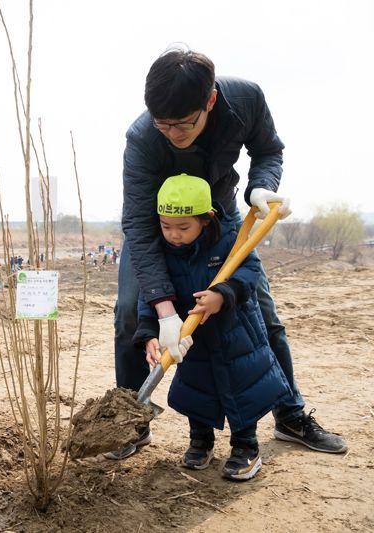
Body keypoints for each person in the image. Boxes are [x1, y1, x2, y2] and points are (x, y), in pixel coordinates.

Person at [110, 46, 347, 459]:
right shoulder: (143, 137)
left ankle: (289, 414)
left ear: (211, 101)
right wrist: (165, 311)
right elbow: (138, 224)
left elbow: (268, 149)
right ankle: (131, 422)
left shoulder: (245, 100)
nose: (172, 134)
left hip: (219, 214)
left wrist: (261, 186)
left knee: (258, 310)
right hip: (158, 222)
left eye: (182, 125)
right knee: (132, 308)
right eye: (163, 125)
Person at [135, 174, 292, 480]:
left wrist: (222, 295)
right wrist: (149, 332)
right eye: (166, 226)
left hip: (234, 333)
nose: (174, 235)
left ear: (206, 219)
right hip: (193, 338)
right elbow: (149, 293)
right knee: (197, 390)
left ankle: (246, 446)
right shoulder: (161, 251)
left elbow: (249, 270)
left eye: (183, 227)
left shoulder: (229, 237)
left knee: (242, 389)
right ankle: (200, 440)